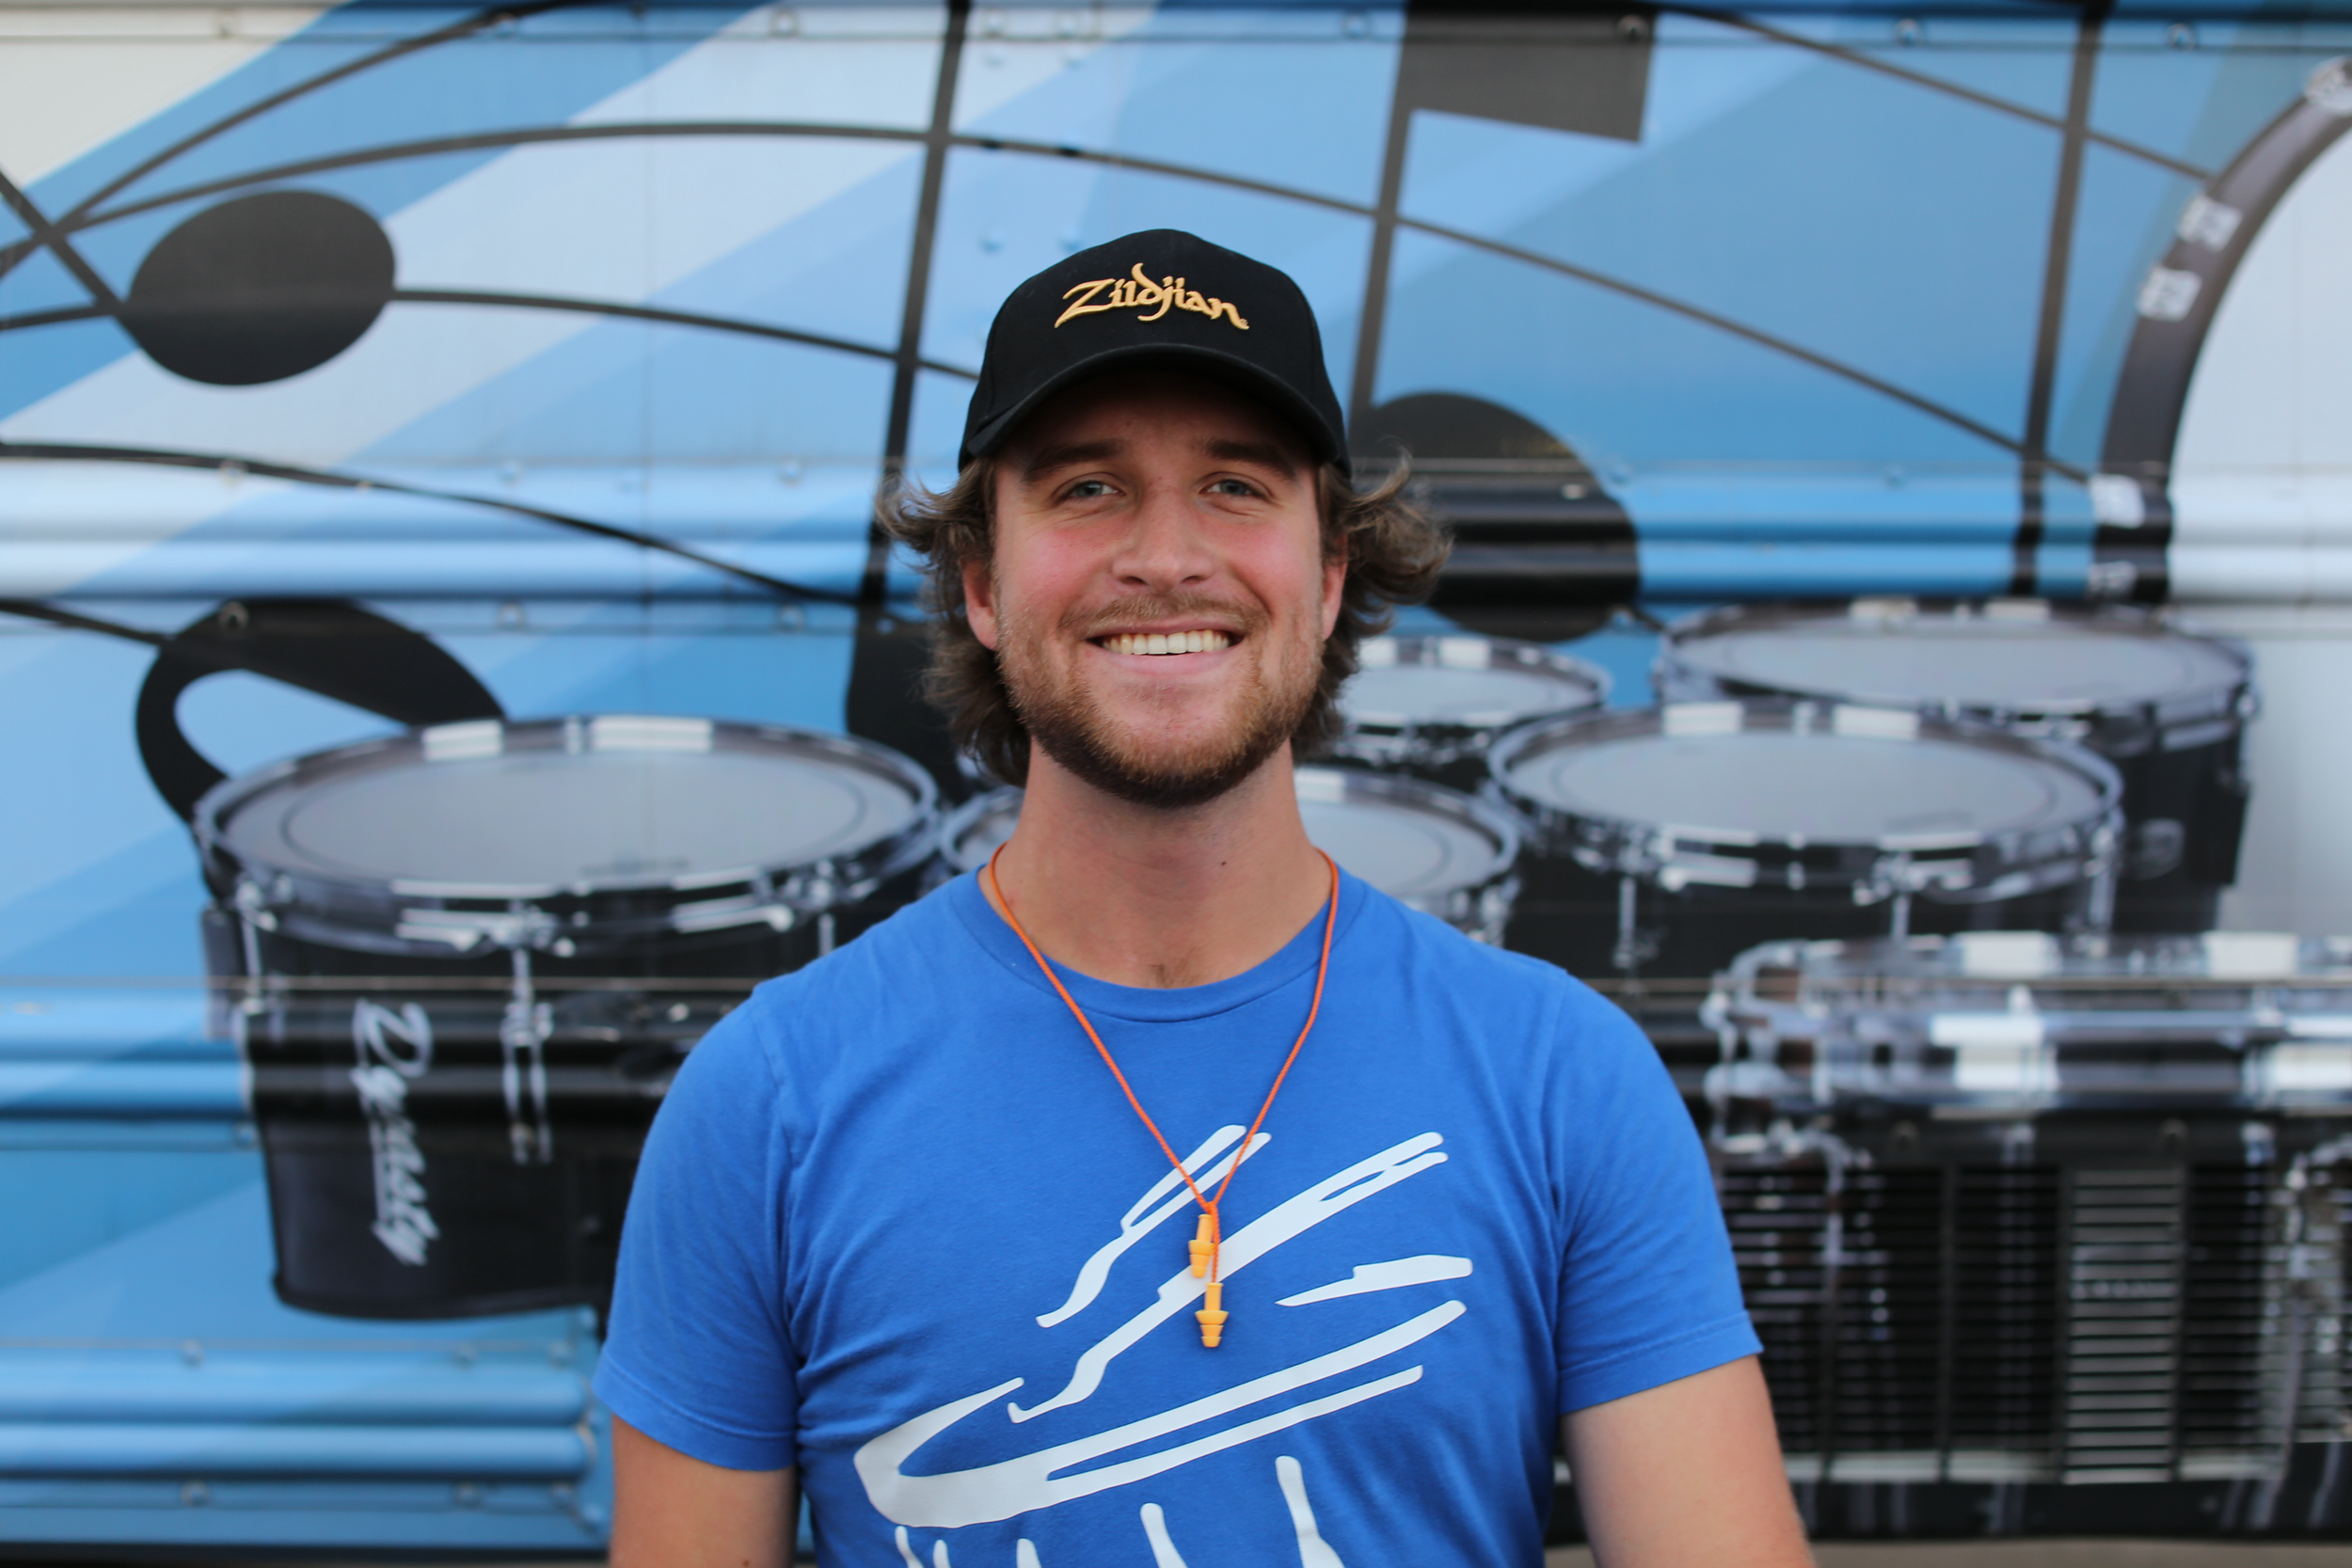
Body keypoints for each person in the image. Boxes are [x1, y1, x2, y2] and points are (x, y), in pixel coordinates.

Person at [595, 230, 1811, 1567]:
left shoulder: (1561, 1080)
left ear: (1330, 572)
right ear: (987, 584)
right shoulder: (768, 1101)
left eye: (1234, 486)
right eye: (1088, 489)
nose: (1166, 555)